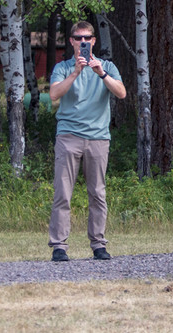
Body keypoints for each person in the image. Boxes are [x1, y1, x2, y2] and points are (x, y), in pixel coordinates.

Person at [48, 20, 127, 261]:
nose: (82, 42)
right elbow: (53, 95)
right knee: (63, 193)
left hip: (98, 138)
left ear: (93, 41)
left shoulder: (107, 66)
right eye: (78, 38)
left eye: (87, 38)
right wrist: (76, 72)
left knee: (97, 193)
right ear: (71, 41)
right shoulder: (62, 68)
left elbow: (121, 93)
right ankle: (59, 246)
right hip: (69, 136)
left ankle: (99, 245)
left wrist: (100, 73)